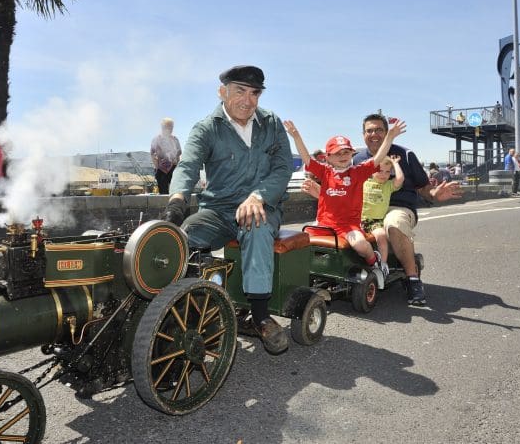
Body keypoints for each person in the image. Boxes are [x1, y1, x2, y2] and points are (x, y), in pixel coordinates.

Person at [162, 65, 294, 354]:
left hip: (262, 207)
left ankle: (260, 316)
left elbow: (284, 167)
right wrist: (177, 202)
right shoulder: (206, 128)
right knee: (185, 234)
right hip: (219, 210)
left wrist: (258, 196)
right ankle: (192, 305)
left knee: (256, 226)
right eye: (239, 91)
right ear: (222, 92)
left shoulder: (272, 123)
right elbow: (188, 166)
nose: (247, 100)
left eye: (254, 93)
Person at [304, 114, 462, 305]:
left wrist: (435, 194)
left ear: (387, 133)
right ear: (363, 135)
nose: (374, 134)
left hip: (397, 206)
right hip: (363, 208)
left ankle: (412, 278)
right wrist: (319, 192)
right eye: (369, 130)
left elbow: (423, 187)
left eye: (379, 130)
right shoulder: (356, 159)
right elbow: (341, 191)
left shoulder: (405, 154)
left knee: (393, 223)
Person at [284, 118, 406, 289]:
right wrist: (296, 136)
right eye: (337, 153)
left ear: (352, 154)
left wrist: (390, 137)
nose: (343, 156)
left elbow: (378, 158)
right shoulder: (325, 171)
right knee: (300, 244)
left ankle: (374, 261)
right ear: (328, 157)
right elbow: (306, 158)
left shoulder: (358, 172)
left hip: (348, 225)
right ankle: (310, 274)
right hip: (324, 224)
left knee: (360, 245)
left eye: (346, 152)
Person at [361, 155, 405, 288]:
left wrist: (395, 163)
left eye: (387, 172)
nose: (383, 175)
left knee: (381, 236)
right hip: (358, 219)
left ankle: (382, 265)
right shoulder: (363, 182)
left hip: (375, 221)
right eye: (380, 171)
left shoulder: (388, 185)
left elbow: (400, 179)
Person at [150, 117, 182, 194]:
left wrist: (177, 167)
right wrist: (157, 166)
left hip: (173, 169)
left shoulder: (175, 139)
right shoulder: (157, 139)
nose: (170, 129)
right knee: (163, 193)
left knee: (175, 192)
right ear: (163, 127)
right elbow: (152, 153)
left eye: (172, 127)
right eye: (168, 126)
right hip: (161, 170)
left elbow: (179, 153)